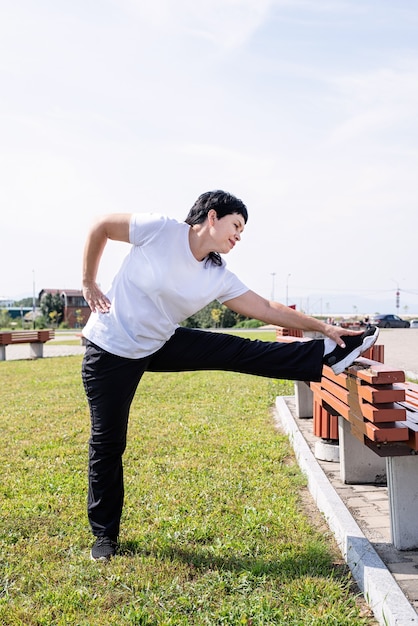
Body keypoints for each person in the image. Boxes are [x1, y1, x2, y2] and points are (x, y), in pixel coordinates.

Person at [81, 190, 378, 561]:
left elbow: (266, 308)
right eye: (236, 225)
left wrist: (324, 328)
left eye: (242, 230)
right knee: (108, 443)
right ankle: (104, 537)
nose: (238, 235)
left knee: (235, 349)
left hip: (158, 342)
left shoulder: (215, 274)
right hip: (110, 349)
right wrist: (89, 282)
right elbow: (101, 226)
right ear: (211, 216)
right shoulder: (159, 230)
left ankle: (324, 354)